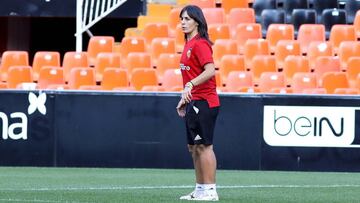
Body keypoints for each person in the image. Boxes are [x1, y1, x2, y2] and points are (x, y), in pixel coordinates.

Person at [176, 5, 220, 201]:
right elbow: (189, 76)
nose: (183, 23)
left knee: (204, 146)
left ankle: (210, 191)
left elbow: (210, 70)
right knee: (193, 147)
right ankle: (200, 190)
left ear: (197, 21)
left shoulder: (200, 43)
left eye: (187, 19)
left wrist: (191, 85)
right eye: (181, 19)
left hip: (204, 101)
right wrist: (184, 99)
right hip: (193, 100)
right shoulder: (188, 44)